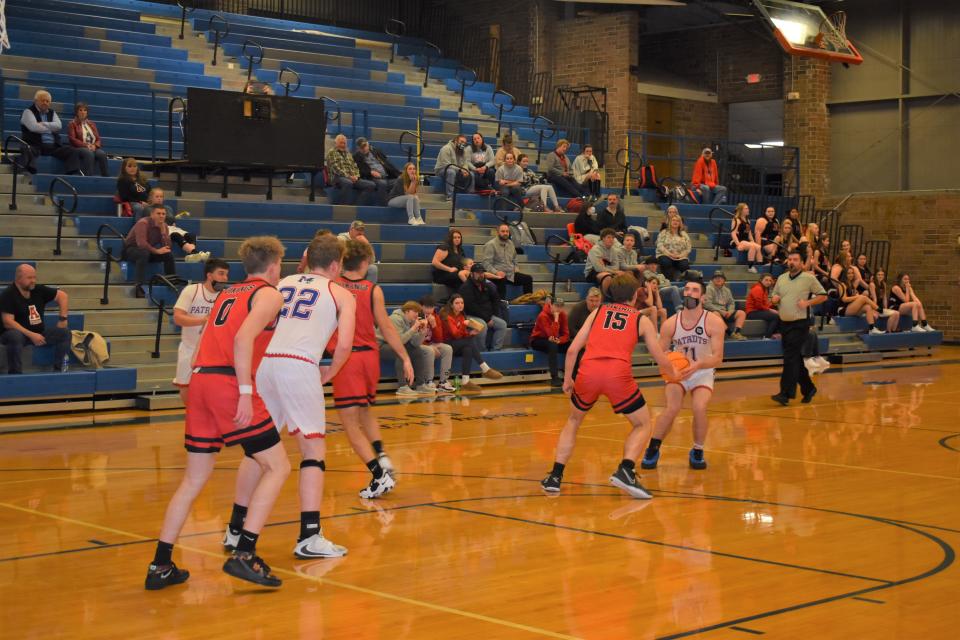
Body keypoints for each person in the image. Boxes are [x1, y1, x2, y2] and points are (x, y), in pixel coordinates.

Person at [146, 237, 290, 590]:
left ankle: (160, 565)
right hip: (229, 383)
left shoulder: (226, 294)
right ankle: (245, 554)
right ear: (274, 265)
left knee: (193, 480)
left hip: (201, 380)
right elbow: (242, 341)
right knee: (278, 465)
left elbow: (208, 339)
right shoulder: (269, 294)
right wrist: (243, 392)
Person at [254, 235, 357, 559]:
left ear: (307, 258)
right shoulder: (340, 292)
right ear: (336, 265)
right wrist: (332, 372)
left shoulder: (282, 282)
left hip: (268, 362)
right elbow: (343, 346)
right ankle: (309, 536)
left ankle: (236, 527)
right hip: (299, 364)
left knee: (260, 445)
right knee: (313, 450)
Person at [540, 274, 678, 498]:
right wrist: (674, 373)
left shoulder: (597, 312)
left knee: (574, 421)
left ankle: (555, 476)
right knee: (642, 424)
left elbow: (574, 349)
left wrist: (567, 379)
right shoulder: (640, 319)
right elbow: (659, 356)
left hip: (588, 371)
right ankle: (626, 469)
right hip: (617, 374)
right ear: (634, 296)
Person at [328, 240, 414, 501]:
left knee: (349, 423)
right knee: (365, 411)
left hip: (348, 359)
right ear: (365, 263)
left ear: (343, 261)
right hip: (370, 358)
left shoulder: (333, 287)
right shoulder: (372, 289)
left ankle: (379, 476)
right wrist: (405, 357)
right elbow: (387, 328)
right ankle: (383, 457)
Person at [642, 279, 726, 470]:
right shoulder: (671, 323)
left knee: (699, 407)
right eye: (686, 289)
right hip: (678, 371)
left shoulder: (714, 322)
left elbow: (718, 358)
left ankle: (697, 450)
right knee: (672, 408)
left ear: (703, 297)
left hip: (702, 370)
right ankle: (653, 448)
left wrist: (699, 365)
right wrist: (669, 365)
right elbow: (659, 353)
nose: (689, 292)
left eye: (694, 290)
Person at [771, 251, 827, 406]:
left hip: (800, 324)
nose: (791, 262)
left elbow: (823, 295)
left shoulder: (809, 278)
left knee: (789, 358)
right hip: (784, 324)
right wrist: (774, 298)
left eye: (795, 259)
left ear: (802, 263)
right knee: (794, 358)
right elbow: (774, 295)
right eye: (789, 259)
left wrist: (808, 303)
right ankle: (809, 388)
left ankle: (785, 394)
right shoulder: (782, 278)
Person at [171, 258, 230, 404]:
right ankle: (192, 415)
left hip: (214, 351)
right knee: (185, 386)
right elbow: (178, 318)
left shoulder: (227, 295)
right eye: (221, 274)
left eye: (226, 274)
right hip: (190, 348)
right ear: (209, 275)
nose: (225, 278)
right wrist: (203, 321)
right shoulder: (192, 290)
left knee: (213, 388)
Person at [0, 264, 71, 374]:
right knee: (15, 336)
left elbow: (63, 296)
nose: (33, 280)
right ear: (18, 278)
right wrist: (31, 335)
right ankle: (15, 375)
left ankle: (60, 371)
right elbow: (8, 322)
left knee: (64, 333)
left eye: (34, 277)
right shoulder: (8, 294)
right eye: (29, 278)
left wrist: (63, 319)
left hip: (38, 333)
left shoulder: (38, 290)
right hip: (15, 334)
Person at [438, 293, 502, 392]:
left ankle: (465, 381)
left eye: (462, 303)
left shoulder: (461, 315)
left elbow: (462, 334)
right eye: (457, 303)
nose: (460, 305)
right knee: (468, 343)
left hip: (457, 344)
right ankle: (485, 368)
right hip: (446, 345)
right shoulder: (446, 315)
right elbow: (455, 334)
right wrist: (464, 325)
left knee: (468, 349)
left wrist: (471, 333)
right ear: (451, 305)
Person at [18, 90, 84, 175]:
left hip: (53, 146)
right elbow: (34, 127)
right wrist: (51, 128)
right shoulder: (28, 112)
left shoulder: (52, 112)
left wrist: (43, 124)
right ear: (36, 101)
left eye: (47, 101)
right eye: (43, 100)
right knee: (26, 149)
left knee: (73, 151)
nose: (45, 103)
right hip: (35, 145)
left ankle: (72, 173)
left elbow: (59, 126)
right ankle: (29, 172)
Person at [381, 301, 437, 396]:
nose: (416, 314)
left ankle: (420, 384)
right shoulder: (395, 319)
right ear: (407, 311)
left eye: (417, 312)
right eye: (414, 312)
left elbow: (415, 343)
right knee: (401, 353)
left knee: (417, 351)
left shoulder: (411, 321)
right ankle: (402, 387)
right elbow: (399, 342)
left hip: (394, 344)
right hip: (381, 345)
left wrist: (422, 332)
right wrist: (413, 329)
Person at [142, 188, 209, 263]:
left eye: (161, 197)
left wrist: (172, 223)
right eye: (157, 197)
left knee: (191, 235)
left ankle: (192, 254)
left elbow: (172, 221)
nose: (159, 199)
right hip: (160, 228)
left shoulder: (168, 208)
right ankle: (195, 253)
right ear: (151, 198)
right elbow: (150, 222)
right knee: (176, 235)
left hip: (172, 227)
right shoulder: (148, 209)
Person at [122, 205, 176, 297]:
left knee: (168, 254)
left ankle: (171, 282)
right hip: (130, 250)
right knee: (144, 253)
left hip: (148, 251)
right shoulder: (143, 223)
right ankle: (139, 287)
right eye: (158, 213)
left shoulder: (164, 226)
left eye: (163, 214)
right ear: (152, 214)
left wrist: (163, 233)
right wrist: (156, 251)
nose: (161, 216)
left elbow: (167, 247)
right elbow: (141, 244)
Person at [459, 263, 507, 351]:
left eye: (482, 273)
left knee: (502, 325)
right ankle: (481, 351)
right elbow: (471, 307)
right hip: (469, 316)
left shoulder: (486, 285)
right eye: (478, 273)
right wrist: (487, 319)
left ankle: (495, 350)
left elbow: (495, 299)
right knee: (482, 325)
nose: (481, 275)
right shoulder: (466, 287)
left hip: (486, 314)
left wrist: (494, 314)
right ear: (472, 274)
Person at [482, 223, 534, 299]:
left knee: (528, 278)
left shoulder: (511, 243)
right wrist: (496, 272)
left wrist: (516, 267)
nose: (505, 233)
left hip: (510, 274)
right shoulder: (490, 245)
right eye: (503, 231)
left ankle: (528, 300)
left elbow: (514, 259)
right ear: (498, 232)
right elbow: (486, 263)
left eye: (507, 231)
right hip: (497, 275)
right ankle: (501, 303)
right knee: (501, 280)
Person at [531, 298, 570, 387]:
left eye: (560, 307)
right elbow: (552, 334)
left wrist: (560, 340)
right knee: (552, 345)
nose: (558, 309)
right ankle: (554, 377)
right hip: (538, 340)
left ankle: (573, 375)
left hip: (554, 340)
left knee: (572, 345)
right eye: (556, 306)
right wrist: (556, 319)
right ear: (551, 305)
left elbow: (566, 334)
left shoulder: (563, 314)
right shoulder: (543, 315)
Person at [325, 134, 377, 202]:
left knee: (371, 185)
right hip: (337, 177)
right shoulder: (332, 152)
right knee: (348, 183)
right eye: (341, 143)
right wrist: (349, 177)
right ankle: (344, 206)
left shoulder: (348, 153)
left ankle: (358, 206)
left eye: (344, 143)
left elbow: (355, 167)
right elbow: (336, 169)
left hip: (352, 178)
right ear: (336, 143)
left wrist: (356, 176)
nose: (343, 145)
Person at [420, 295, 455, 392]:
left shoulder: (436, 317)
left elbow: (439, 339)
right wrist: (429, 346)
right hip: (419, 345)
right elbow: (414, 338)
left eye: (431, 308)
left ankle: (443, 381)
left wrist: (434, 325)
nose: (429, 310)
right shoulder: (417, 317)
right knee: (430, 350)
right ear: (421, 306)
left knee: (447, 348)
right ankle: (428, 381)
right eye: (426, 307)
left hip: (431, 344)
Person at [67, 102, 109, 177]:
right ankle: (88, 177)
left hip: (92, 147)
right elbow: (72, 139)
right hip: (79, 148)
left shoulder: (92, 124)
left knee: (102, 154)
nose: (83, 112)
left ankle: (105, 176)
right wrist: (86, 145)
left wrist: (95, 146)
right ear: (76, 112)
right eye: (80, 110)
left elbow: (98, 139)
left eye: (85, 110)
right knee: (89, 154)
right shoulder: (72, 124)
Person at [353, 137, 400, 201]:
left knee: (400, 180)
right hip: (373, 178)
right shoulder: (356, 156)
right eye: (361, 147)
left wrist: (399, 174)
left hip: (386, 176)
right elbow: (360, 170)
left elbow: (387, 164)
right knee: (382, 184)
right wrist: (370, 172)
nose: (364, 148)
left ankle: (395, 201)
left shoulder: (376, 151)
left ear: (368, 144)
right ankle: (385, 206)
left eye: (365, 146)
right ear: (358, 148)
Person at [839, 266, 883, 334]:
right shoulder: (842, 284)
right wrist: (857, 297)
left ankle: (871, 329)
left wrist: (856, 295)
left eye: (852, 273)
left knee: (867, 307)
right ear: (845, 274)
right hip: (843, 309)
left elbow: (853, 296)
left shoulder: (851, 284)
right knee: (863, 297)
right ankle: (880, 310)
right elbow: (844, 299)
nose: (851, 275)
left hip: (851, 307)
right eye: (848, 273)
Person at [704, 270, 746, 340]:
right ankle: (730, 333)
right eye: (716, 277)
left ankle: (736, 333)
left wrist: (730, 311)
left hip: (725, 312)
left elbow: (731, 303)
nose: (719, 279)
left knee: (741, 313)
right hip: (713, 312)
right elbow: (707, 304)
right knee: (715, 313)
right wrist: (721, 311)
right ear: (712, 280)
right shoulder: (708, 289)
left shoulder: (727, 290)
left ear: (724, 280)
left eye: (721, 278)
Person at [431, 228, 471, 294]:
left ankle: (456, 299)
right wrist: (449, 269)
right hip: (443, 274)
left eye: (459, 237)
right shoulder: (444, 247)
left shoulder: (460, 250)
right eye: (454, 237)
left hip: (455, 274)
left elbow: (464, 263)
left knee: (472, 275)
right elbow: (435, 262)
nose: (457, 239)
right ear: (450, 238)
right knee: (460, 277)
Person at [435, 134, 474, 200]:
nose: (463, 144)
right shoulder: (446, 148)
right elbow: (447, 165)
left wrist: (465, 170)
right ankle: (449, 196)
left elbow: (465, 163)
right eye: (461, 141)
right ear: (456, 141)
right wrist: (460, 170)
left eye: (464, 142)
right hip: (442, 169)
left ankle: (469, 197)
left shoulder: (463, 151)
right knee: (451, 172)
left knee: (471, 174)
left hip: (457, 170)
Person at [585, 228, 623, 294]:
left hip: (605, 270)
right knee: (608, 277)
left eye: (613, 238)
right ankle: (603, 297)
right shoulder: (595, 249)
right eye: (608, 237)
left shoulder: (614, 250)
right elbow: (598, 268)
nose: (611, 239)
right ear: (603, 238)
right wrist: (614, 271)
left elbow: (616, 266)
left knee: (624, 275)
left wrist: (605, 267)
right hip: (592, 272)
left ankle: (618, 297)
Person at [656, 214, 692, 281]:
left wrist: (680, 256)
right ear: (670, 222)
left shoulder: (684, 234)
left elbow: (688, 248)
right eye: (673, 220)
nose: (675, 222)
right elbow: (659, 245)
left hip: (681, 256)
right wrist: (670, 254)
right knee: (666, 262)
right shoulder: (664, 232)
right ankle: (669, 281)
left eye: (677, 221)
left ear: (680, 223)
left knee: (684, 265)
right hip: (665, 255)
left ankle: (684, 282)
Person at [745, 273, 781, 339]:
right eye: (766, 280)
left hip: (759, 311)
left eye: (770, 280)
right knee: (775, 316)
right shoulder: (758, 288)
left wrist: (773, 304)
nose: (768, 282)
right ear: (761, 280)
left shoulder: (764, 289)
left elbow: (765, 304)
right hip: (752, 312)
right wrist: (770, 310)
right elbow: (759, 305)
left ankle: (776, 333)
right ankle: (767, 336)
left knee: (779, 313)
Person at [730, 203, 761, 273]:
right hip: (737, 241)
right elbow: (733, 233)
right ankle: (752, 266)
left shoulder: (748, 221)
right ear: (741, 210)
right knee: (754, 247)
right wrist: (738, 244)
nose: (748, 210)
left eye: (748, 208)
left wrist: (753, 241)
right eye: (746, 208)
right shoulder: (736, 220)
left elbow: (749, 234)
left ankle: (753, 265)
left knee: (755, 246)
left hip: (746, 241)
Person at [872, 269, 901, 334]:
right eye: (878, 275)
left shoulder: (883, 284)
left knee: (897, 313)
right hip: (874, 307)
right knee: (894, 313)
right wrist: (874, 310)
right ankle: (888, 331)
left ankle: (892, 330)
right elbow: (874, 299)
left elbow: (884, 298)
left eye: (882, 275)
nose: (880, 276)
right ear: (875, 276)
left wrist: (886, 308)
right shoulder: (872, 284)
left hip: (881, 308)